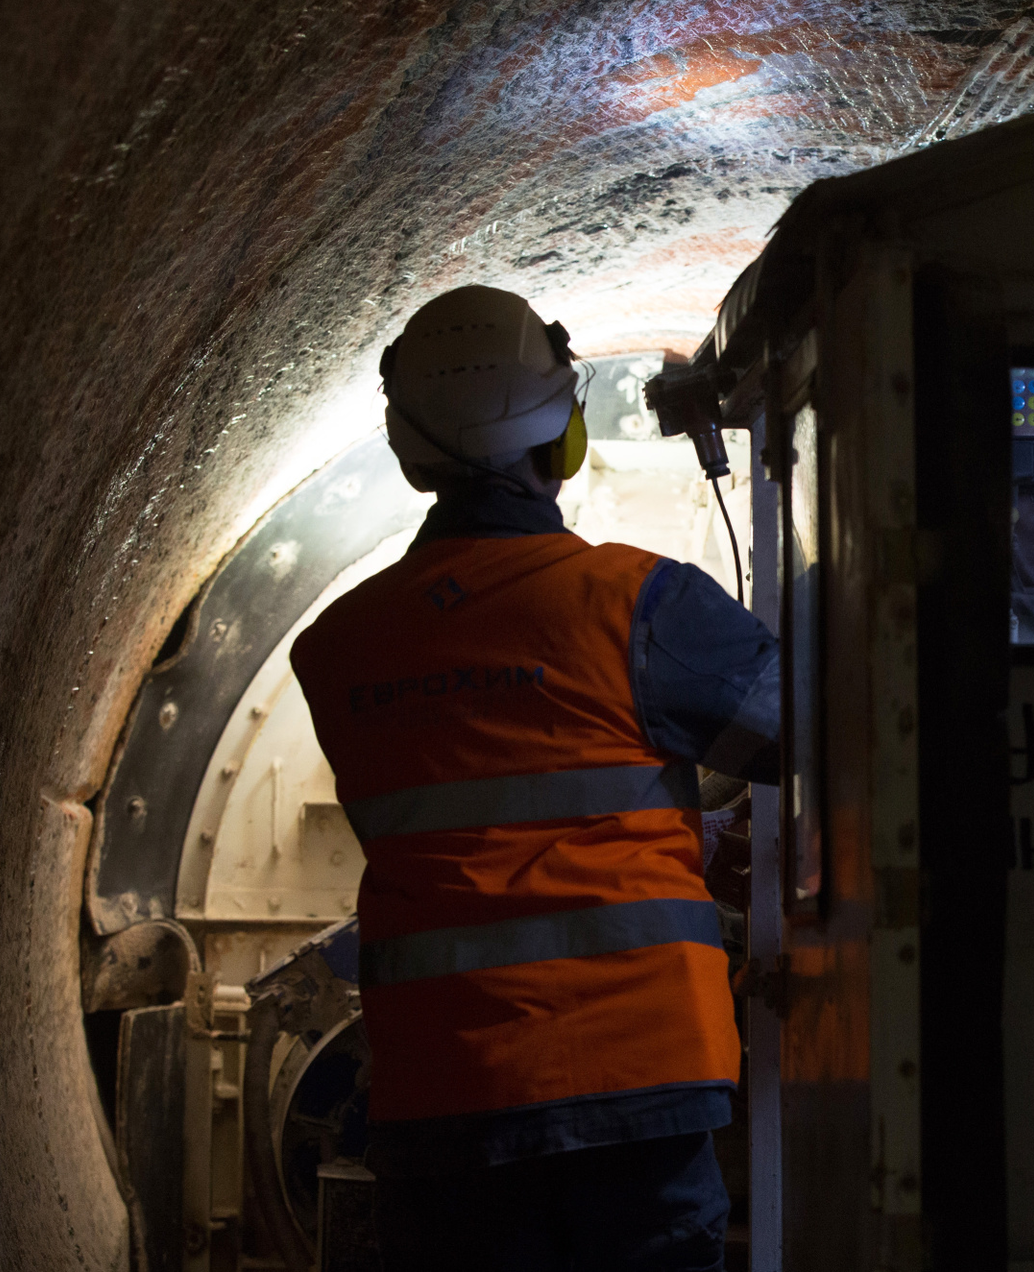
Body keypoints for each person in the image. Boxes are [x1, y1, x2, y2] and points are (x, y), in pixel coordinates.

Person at [289, 285, 779, 1271]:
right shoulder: (638, 604)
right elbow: (803, 730)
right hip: (637, 1081)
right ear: (563, 434)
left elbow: (493, 794)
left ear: (407, 450)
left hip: (444, 1099)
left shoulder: (336, 648)